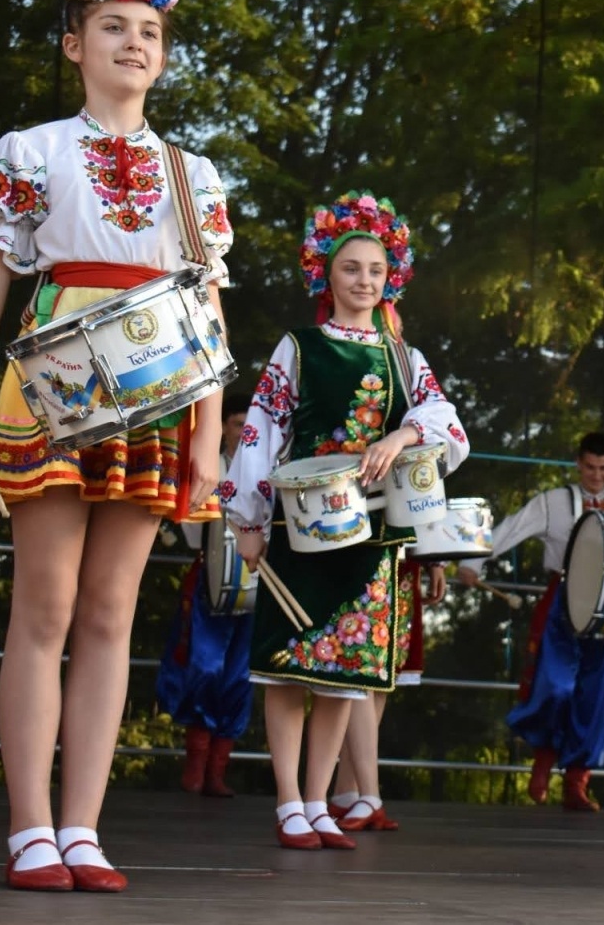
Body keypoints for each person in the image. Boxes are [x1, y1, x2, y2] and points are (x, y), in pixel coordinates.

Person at [0, 0, 231, 893]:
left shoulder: (194, 176)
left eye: (150, 32)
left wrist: (207, 441)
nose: (134, 42)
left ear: (164, 57)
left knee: (112, 611)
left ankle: (84, 828)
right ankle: (30, 826)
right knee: (45, 605)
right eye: (114, 26)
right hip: (55, 384)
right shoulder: (28, 152)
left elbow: (209, 317)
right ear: (76, 45)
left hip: (157, 391)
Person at [221, 190, 468, 851]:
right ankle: (286, 802)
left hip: (373, 535)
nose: (364, 280)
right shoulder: (297, 348)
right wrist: (246, 518)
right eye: (351, 267)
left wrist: (405, 434)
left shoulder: (405, 359)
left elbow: (451, 429)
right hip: (298, 531)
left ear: (392, 280)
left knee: (344, 670)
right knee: (290, 665)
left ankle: (319, 800)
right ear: (324, 275)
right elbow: (260, 433)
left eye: (375, 271)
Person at [461, 432, 604, 811]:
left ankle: (577, 781)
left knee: (594, 693)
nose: (597, 475)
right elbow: (510, 529)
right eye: (590, 467)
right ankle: (544, 755)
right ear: (577, 463)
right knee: (554, 686)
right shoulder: (553, 502)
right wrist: (472, 562)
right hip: (563, 601)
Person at [156, 394, 255, 797]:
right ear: (224, 428)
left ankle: (217, 771)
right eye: (236, 425)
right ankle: (195, 766)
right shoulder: (208, 464)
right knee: (203, 666)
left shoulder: (269, 471)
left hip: (256, 583)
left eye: (250, 427)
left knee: (240, 674)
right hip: (211, 578)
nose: (243, 434)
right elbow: (192, 531)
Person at [327, 556, 466, 830]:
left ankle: (348, 792)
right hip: (364, 540)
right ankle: (368, 795)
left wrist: (435, 559)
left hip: (404, 549)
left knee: (382, 668)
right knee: (362, 663)